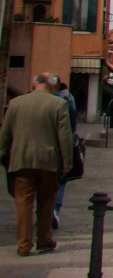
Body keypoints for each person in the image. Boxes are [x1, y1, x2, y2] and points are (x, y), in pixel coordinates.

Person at [0, 72, 73, 257]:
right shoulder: (59, 104)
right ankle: (44, 240)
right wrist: (67, 162)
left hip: (21, 160)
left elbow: (5, 133)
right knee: (47, 200)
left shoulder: (16, 103)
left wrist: (2, 154)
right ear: (52, 86)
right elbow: (65, 136)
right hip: (48, 161)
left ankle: (24, 245)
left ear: (34, 85)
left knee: (23, 202)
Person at [49, 76, 77, 230]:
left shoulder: (51, 101)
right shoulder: (69, 98)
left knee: (44, 180)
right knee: (60, 179)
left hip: (48, 145)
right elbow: (72, 128)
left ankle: (45, 209)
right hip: (62, 146)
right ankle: (54, 209)